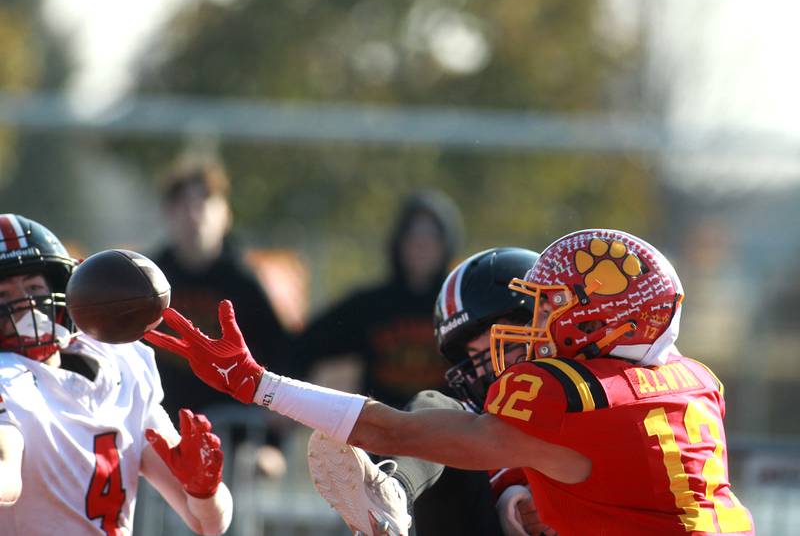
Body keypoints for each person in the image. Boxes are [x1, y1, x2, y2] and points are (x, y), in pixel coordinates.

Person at [145, 228, 755, 536]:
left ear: (604, 316)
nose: (535, 329)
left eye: (549, 308)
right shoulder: (695, 381)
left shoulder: (563, 395)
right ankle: (391, 492)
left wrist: (258, 385)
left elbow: (394, 426)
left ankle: (391, 492)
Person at [0, 214, 233, 535]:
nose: (25, 305)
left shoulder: (122, 363)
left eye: (34, 288)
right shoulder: (6, 378)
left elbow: (209, 523)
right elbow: (5, 472)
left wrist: (205, 492)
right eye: (4, 296)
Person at [306, 247, 541, 536]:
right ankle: (392, 493)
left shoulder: (594, 400)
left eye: (503, 347)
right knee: (439, 412)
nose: (488, 370)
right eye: (475, 357)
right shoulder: (473, 422)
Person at [150, 156, 291, 424]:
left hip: (237, 432)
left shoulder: (242, 282)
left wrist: (271, 441)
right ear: (167, 213)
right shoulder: (148, 278)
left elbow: (281, 355)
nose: (193, 215)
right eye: (182, 204)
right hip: (160, 423)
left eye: (203, 202)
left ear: (226, 214)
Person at [293, 189, 463, 408]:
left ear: (447, 243)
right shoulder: (371, 306)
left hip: (446, 433)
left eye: (432, 235)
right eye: (413, 234)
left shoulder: (460, 305)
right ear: (399, 241)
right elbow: (305, 345)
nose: (422, 244)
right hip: (382, 432)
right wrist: (283, 398)